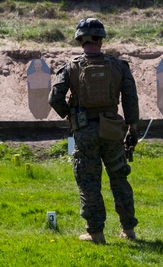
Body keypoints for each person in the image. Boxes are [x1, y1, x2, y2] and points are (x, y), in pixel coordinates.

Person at [49, 18, 140, 244]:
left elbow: (55, 98)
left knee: (89, 182)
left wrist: (70, 114)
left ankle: (96, 233)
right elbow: (130, 98)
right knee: (119, 178)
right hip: (112, 129)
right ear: (101, 39)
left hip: (84, 131)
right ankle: (128, 230)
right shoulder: (119, 66)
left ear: (80, 39)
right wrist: (133, 127)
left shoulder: (70, 67)